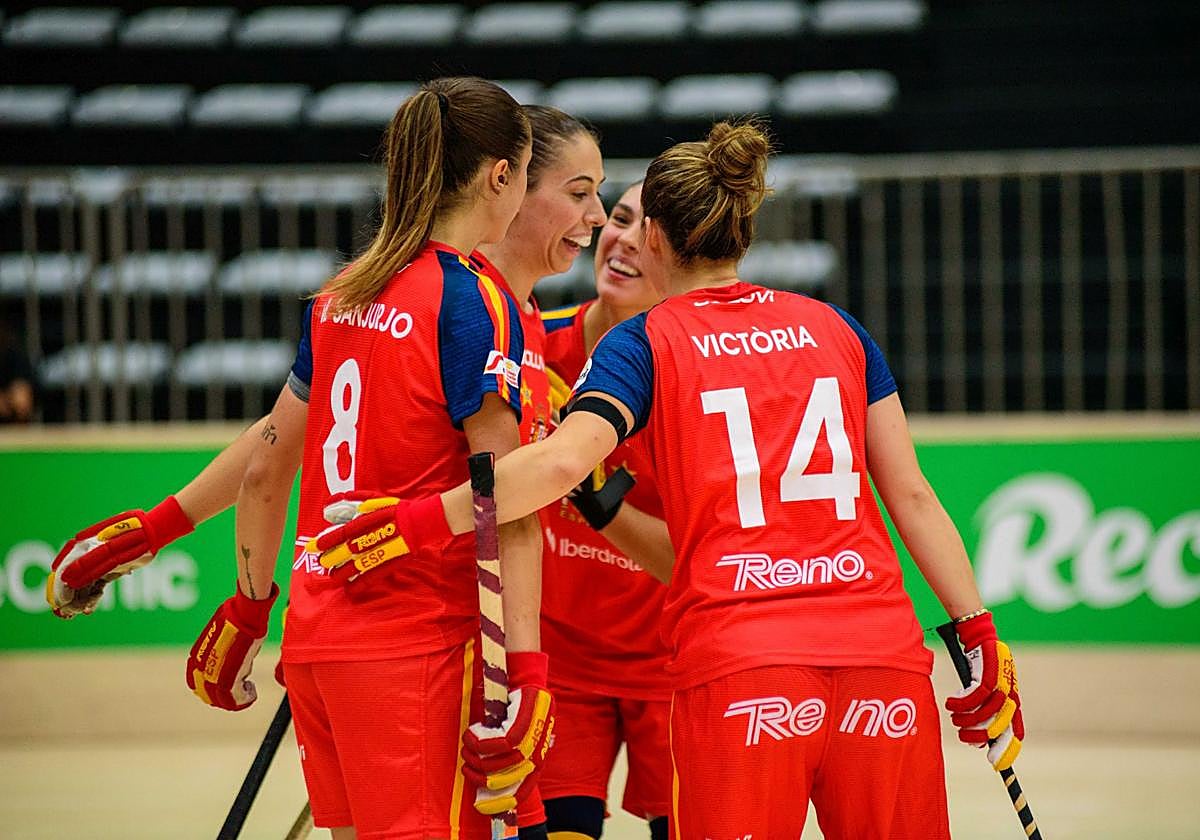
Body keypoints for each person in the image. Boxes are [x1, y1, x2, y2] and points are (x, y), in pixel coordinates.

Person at [311, 120, 1026, 839]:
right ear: (743, 230)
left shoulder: (646, 340)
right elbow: (911, 497)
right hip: (881, 656)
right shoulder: (836, 328)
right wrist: (979, 632)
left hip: (742, 664)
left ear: (652, 236)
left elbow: (557, 466)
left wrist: (412, 523)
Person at [52, 76, 548, 840]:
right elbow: (501, 493)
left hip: (315, 647)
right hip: (419, 646)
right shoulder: (474, 300)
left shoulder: (342, 294)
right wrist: (525, 673)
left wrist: (246, 606)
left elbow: (266, 467)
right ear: (502, 175)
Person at [537, 182, 674, 840]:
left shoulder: (696, 373)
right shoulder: (533, 347)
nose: (623, 238)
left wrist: (599, 506)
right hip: (560, 664)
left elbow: (694, 555)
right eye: (620, 218)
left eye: (650, 231)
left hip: (674, 666)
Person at [0, 315, 36, 424]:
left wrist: (5, 400)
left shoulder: (15, 357)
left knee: (20, 398)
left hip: (11, 424)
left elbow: (22, 401)